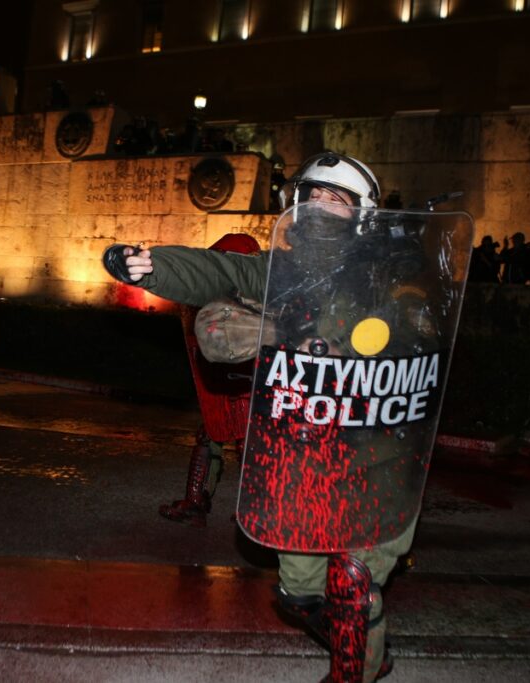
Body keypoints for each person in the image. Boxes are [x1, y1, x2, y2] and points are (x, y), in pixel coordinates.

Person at [103, 152, 441, 681]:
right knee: (299, 593)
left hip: (377, 451)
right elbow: (222, 270)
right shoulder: (282, 270)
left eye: (336, 199)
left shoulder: (387, 271)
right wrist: (155, 266)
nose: (320, 207)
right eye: (312, 196)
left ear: (362, 214)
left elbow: (418, 331)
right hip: (306, 447)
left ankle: (358, 666)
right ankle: (364, 641)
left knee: (351, 580)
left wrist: (356, 344)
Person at [159, 233, 260, 527]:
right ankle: (195, 501)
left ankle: (255, 509)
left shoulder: (258, 293)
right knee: (210, 433)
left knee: (249, 442)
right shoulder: (214, 295)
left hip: (255, 383)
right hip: (223, 379)